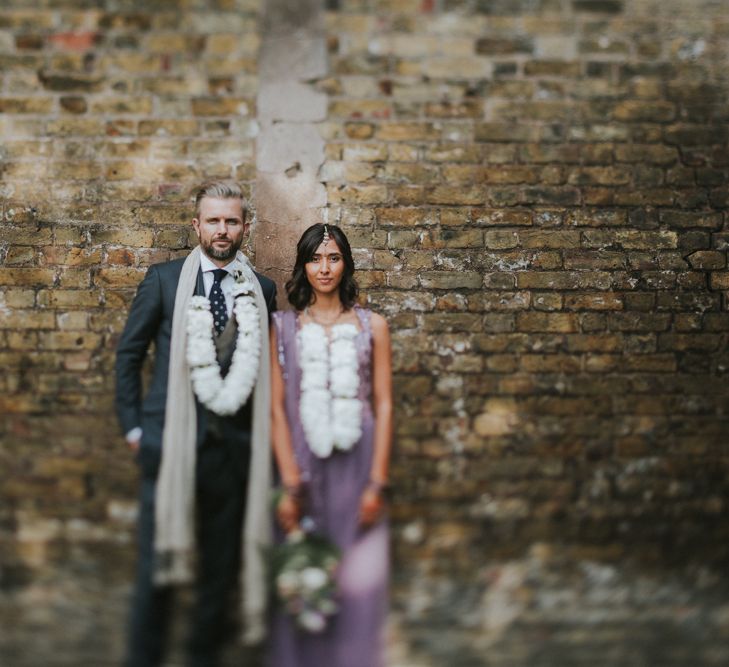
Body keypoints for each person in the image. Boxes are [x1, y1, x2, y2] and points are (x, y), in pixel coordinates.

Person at [115, 181, 277, 667]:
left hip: (232, 454)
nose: (222, 230)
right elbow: (129, 356)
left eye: (231, 221)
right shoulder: (164, 280)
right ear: (197, 225)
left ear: (244, 227)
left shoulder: (263, 290)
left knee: (218, 577)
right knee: (157, 575)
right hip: (168, 446)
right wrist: (134, 429)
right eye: (214, 220)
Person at [268, 223, 393, 667]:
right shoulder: (281, 327)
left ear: (346, 264)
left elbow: (384, 403)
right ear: (304, 264)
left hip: (357, 468)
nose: (325, 268)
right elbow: (276, 409)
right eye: (316, 258)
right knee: (303, 580)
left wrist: (376, 484)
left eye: (334, 258)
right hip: (301, 469)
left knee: (357, 583)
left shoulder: (372, 326)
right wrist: (288, 484)